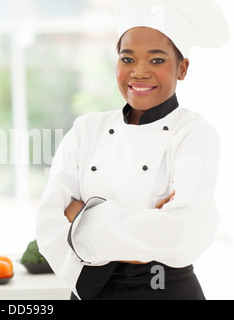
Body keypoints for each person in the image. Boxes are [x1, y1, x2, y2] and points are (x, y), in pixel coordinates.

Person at [35, 0, 229, 300]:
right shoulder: (87, 130)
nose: (138, 72)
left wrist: (84, 216)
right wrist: (149, 228)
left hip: (167, 290)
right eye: (127, 59)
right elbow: (49, 222)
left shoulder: (194, 134)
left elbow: (179, 235)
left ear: (182, 68)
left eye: (156, 60)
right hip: (91, 289)